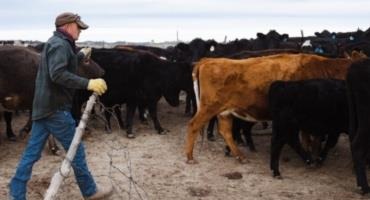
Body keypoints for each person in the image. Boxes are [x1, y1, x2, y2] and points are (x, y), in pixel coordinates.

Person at [9, 12, 112, 200]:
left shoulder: (56, 43)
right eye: (78, 27)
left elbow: (57, 67)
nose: (80, 30)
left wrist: (78, 56)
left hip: (43, 108)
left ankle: (16, 194)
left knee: (31, 154)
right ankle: (90, 191)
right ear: (67, 26)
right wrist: (87, 83)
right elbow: (57, 74)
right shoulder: (60, 45)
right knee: (76, 149)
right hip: (55, 109)